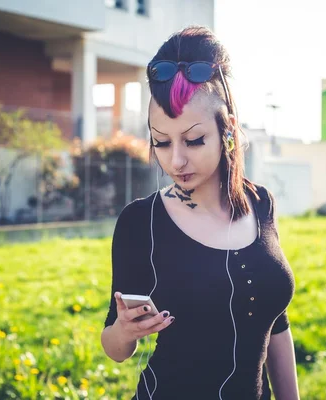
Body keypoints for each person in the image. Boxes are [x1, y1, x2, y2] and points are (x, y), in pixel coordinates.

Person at [101, 26, 299, 400]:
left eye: (193, 140)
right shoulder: (140, 223)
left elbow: (274, 323)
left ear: (228, 131)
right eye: (161, 142)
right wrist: (125, 331)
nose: (175, 160)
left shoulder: (261, 204)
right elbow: (113, 347)